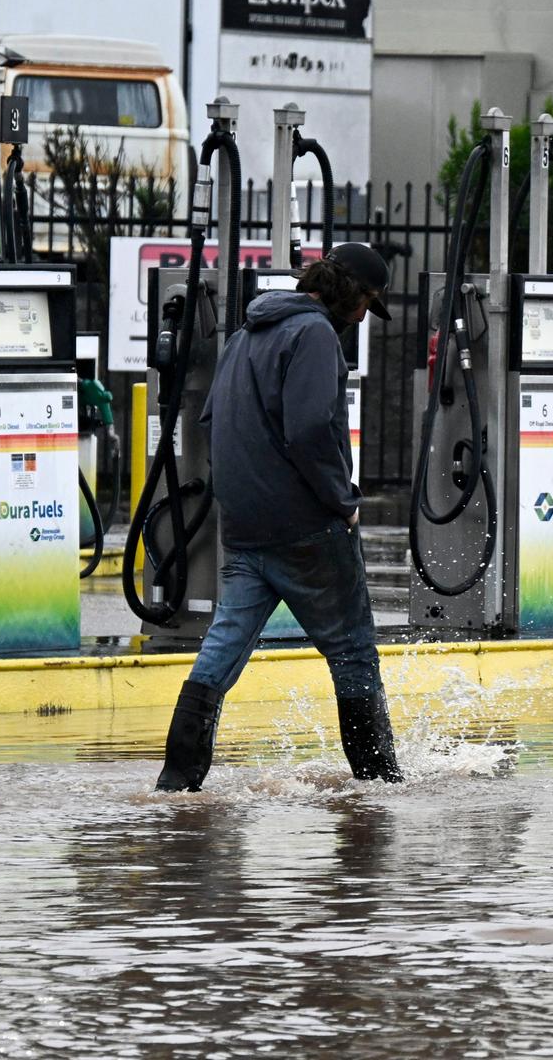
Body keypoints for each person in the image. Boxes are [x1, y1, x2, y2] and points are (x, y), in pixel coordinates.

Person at [154, 242, 402, 791]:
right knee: (353, 649)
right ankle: (380, 787)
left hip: (243, 526)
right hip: (306, 526)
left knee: (222, 648)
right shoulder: (314, 334)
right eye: (365, 303)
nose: (363, 316)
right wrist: (344, 502)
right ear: (348, 293)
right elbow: (312, 429)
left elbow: (213, 417)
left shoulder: (246, 335)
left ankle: (177, 782)